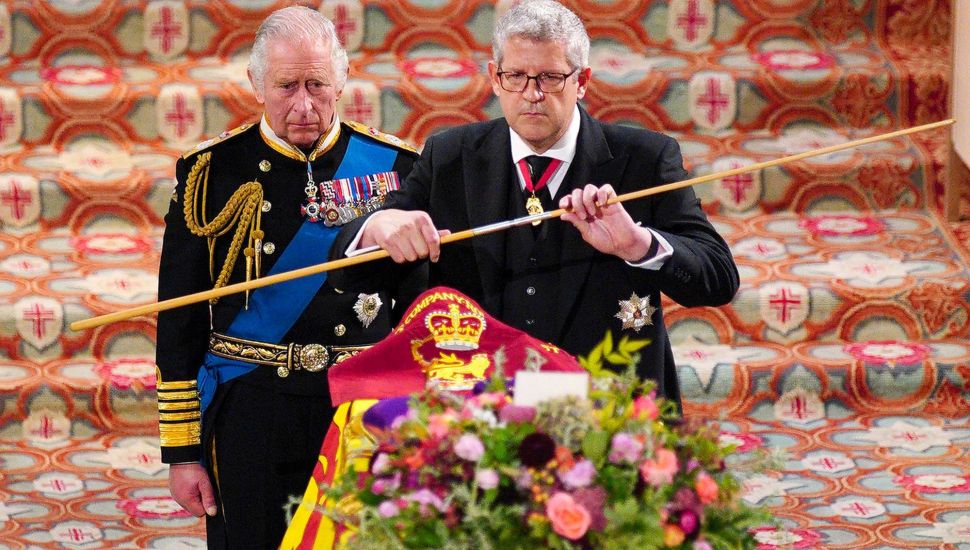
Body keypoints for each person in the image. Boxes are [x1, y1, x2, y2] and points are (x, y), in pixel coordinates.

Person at [342, 0, 739, 407]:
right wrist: (378, 228)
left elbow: (720, 279)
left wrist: (637, 244)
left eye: (550, 77)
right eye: (516, 76)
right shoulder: (449, 156)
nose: (532, 94)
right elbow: (353, 269)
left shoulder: (645, 159)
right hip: (479, 409)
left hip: (607, 412)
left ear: (581, 81)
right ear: (495, 78)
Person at [154, 6, 422, 548]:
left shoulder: (398, 168)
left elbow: (420, 314)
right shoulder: (211, 174)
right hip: (251, 407)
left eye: (318, 84)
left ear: (342, 80)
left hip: (359, 409)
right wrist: (183, 453)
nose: (304, 105)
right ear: (256, 84)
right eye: (286, 86)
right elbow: (179, 318)